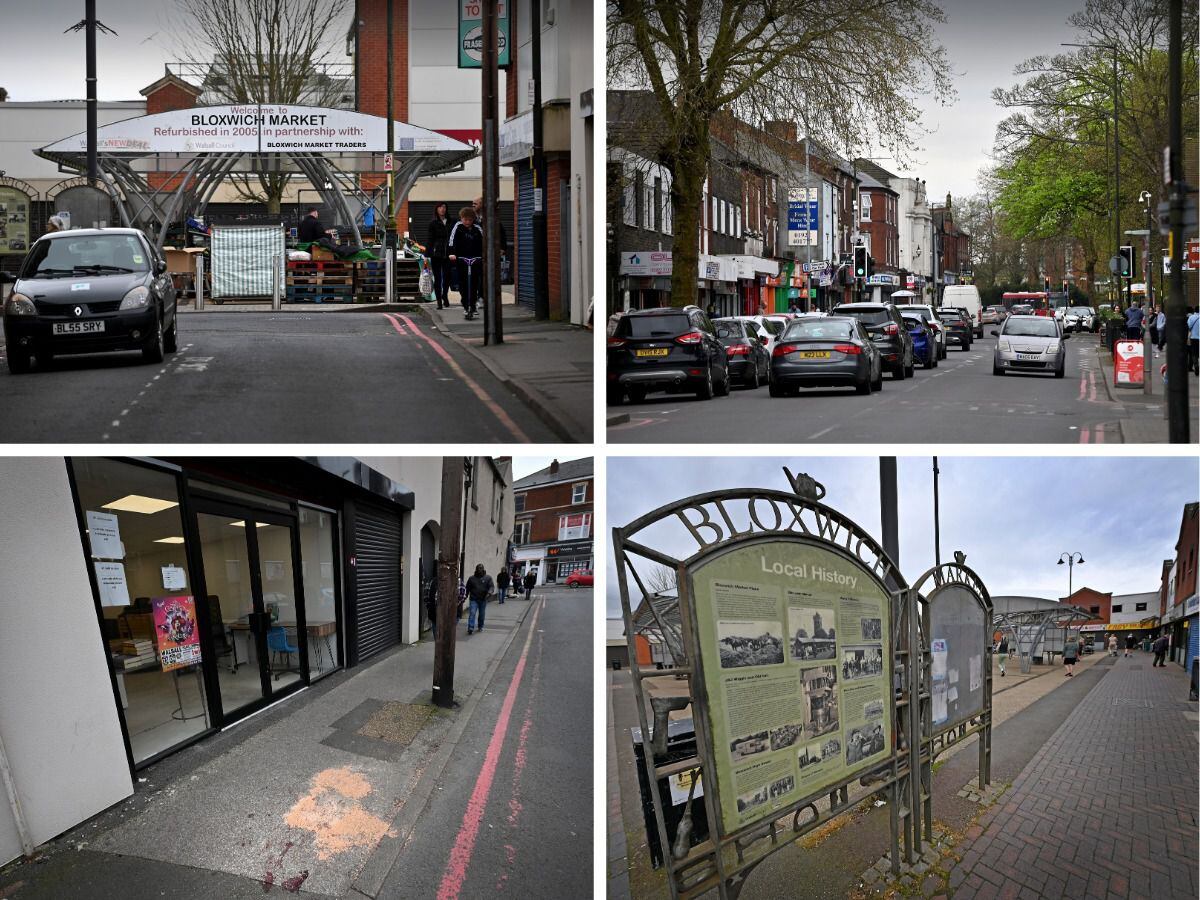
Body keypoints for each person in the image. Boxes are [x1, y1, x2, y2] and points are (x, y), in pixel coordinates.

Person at [448, 206, 484, 319]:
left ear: (473, 220)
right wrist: (452, 253)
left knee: (474, 283)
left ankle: (472, 306)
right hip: (461, 259)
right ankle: (465, 305)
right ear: (461, 218)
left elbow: (484, 242)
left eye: (470, 220)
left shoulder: (477, 228)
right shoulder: (458, 227)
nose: (467, 222)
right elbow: (451, 241)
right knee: (463, 283)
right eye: (465, 219)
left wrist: (483, 255)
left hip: (475, 259)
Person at [426, 202, 453, 309]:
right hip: (436, 253)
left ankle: (445, 295)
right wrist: (427, 254)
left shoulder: (452, 221)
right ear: (436, 209)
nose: (442, 209)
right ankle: (439, 302)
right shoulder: (433, 223)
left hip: (448, 254)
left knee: (447, 276)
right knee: (438, 278)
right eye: (440, 207)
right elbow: (430, 239)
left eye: (444, 207)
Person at [465, 564, 493, 635]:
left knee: (481, 614)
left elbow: (491, 586)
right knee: (472, 613)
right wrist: (465, 596)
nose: (479, 570)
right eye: (478, 568)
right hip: (474, 599)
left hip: (483, 599)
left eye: (481, 568)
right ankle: (470, 628)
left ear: (483, 569)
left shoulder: (488, 578)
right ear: (476, 569)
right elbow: (467, 588)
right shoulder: (471, 578)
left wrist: (489, 592)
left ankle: (480, 626)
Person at [1188, 307, 1200, 375]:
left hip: (1193, 338)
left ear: (1194, 311)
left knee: (1194, 353)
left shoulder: (1191, 317)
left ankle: (1196, 365)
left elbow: (1188, 326)